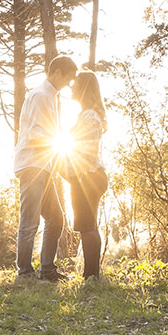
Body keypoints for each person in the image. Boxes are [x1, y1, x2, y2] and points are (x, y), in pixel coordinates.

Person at [14, 53, 77, 282]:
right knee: (30, 221)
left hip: (43, 166)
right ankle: (24, 272)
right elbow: (36, 134)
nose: (69, 84)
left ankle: (47, 270)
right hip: (33, 165)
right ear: (56, 72)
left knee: (55, 218)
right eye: (68, 79)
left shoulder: (49, 96)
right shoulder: (41, 95)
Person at [64, 69, 110, 280]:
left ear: (83, 88)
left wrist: (69, 172)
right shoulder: (89, 114)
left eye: (75, 84)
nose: (71, 87)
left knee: (87, 226)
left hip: (88, 176)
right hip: (88, 175)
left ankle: (91, 276)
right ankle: (91, 274)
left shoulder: (89, 115)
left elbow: (85, 150)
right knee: (88, 225)